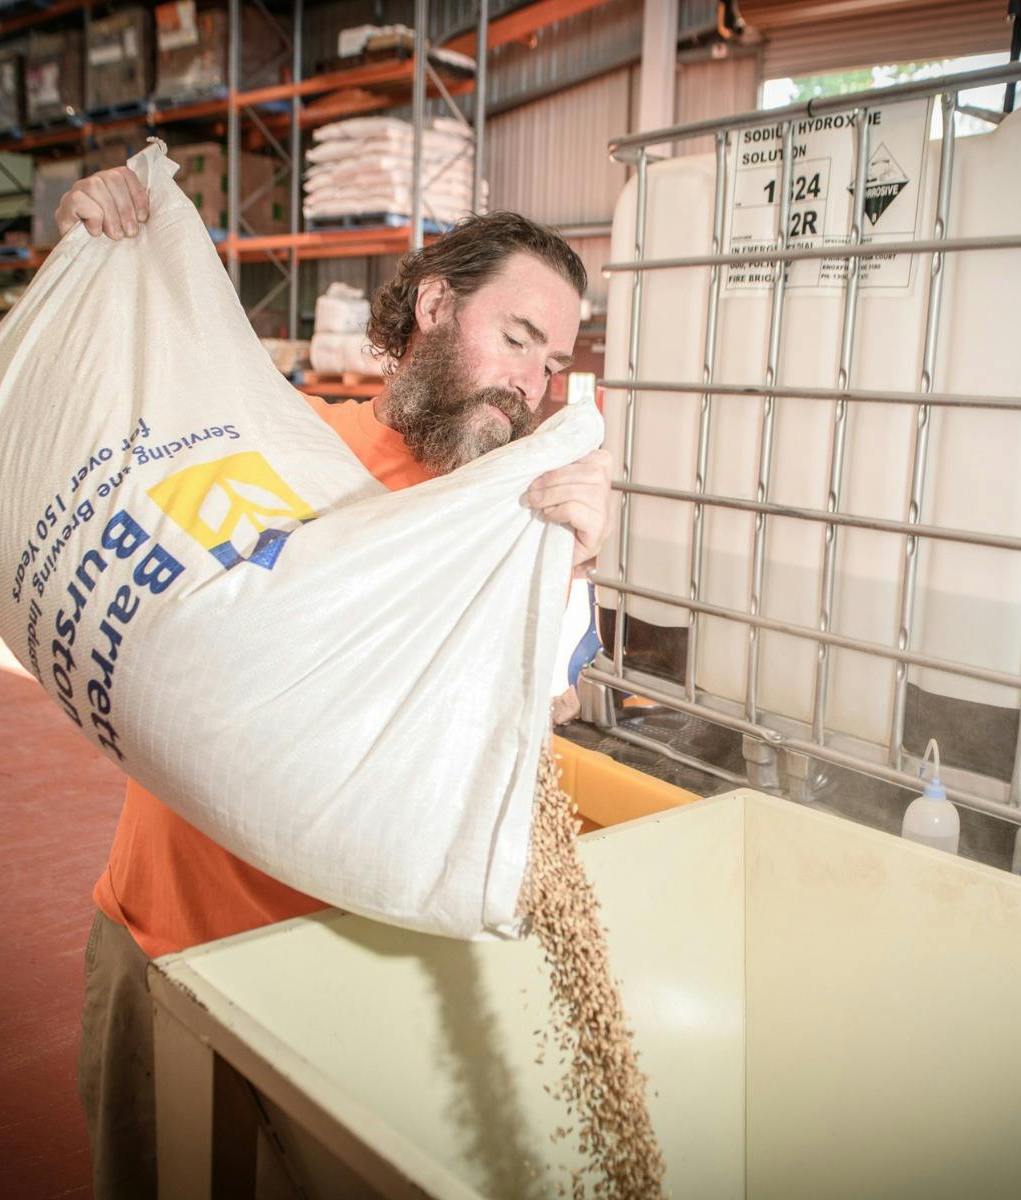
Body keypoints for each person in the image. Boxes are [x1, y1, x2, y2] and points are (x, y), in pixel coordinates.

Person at [55, 165, 611, 1198]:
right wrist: (96, 263)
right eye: (517, 337)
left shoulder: (513, 527)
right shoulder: (282, 444)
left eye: (555, 361)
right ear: (437, 307)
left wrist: (569, 565)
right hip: (162, 935)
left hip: (344, 980)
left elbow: (543, 709)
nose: (530, 384)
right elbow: (101, 417)